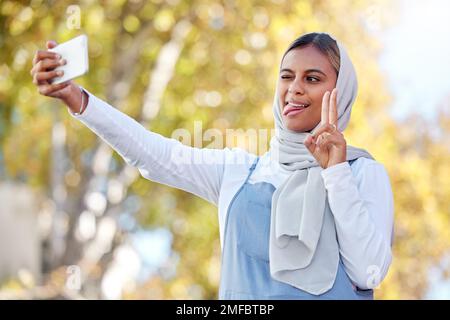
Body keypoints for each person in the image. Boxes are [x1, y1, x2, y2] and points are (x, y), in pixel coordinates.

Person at [30, 32, 394, 300]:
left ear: (341, 92)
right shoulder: (240, 172)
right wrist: (77, 99)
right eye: (286, 76)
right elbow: (154, 156)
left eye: (312, 79)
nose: (294, 89)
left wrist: (335, 173)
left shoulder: (360, 172)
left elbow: (369, 271)